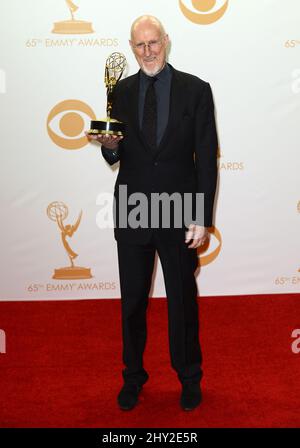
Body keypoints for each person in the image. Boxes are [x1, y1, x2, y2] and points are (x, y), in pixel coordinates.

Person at [87, 15, 218, 411]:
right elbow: (117, 154)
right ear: (131, 47)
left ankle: (190, 377)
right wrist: (109, 145)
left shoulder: (195, 89)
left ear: (167, 41)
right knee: (132, 302)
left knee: (182, 300)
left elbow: (206, 158)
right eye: (140, 45)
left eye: (154, 43)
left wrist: (200, 215)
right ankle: (132, 377)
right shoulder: (121, 91)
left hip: (179, 211)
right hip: (133, 209)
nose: (148, 51)